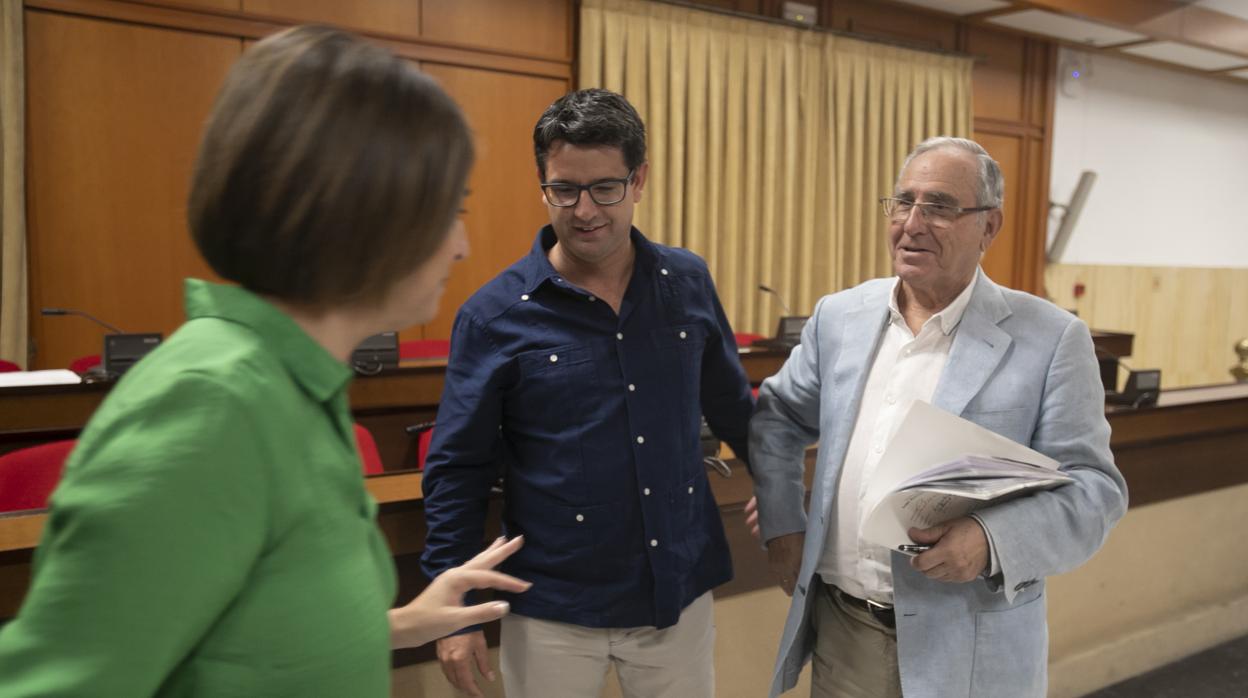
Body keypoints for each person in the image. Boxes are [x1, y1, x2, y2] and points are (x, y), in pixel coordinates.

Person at [0, 25, 530, 696]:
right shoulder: (212, 403)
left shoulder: (294, 386)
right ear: (364, 214)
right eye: (451, 210)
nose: (461, 246)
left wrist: (398, 624)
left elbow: (249, 640)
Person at [748, 136, 1128, 698]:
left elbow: (1097, 492)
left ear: (989, 227)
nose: (913, 222)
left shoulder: (1051, 339)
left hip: (970, 644)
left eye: (941, 206)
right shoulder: (840, 317)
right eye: (903, 202)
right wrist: (782, 524)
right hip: (845, 632)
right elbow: (777, 416)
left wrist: (989, 538)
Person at [420, 88, 755, 698]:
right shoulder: (493, 316)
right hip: (553, 604)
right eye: (564, 189)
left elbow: (734, 405)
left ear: (639, 180)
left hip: (676, 588)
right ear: (542, 185)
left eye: (605, 187)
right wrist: (458, 603)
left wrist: (781, 495)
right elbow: (457, 470)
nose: (585, 210)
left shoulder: (687, 281)